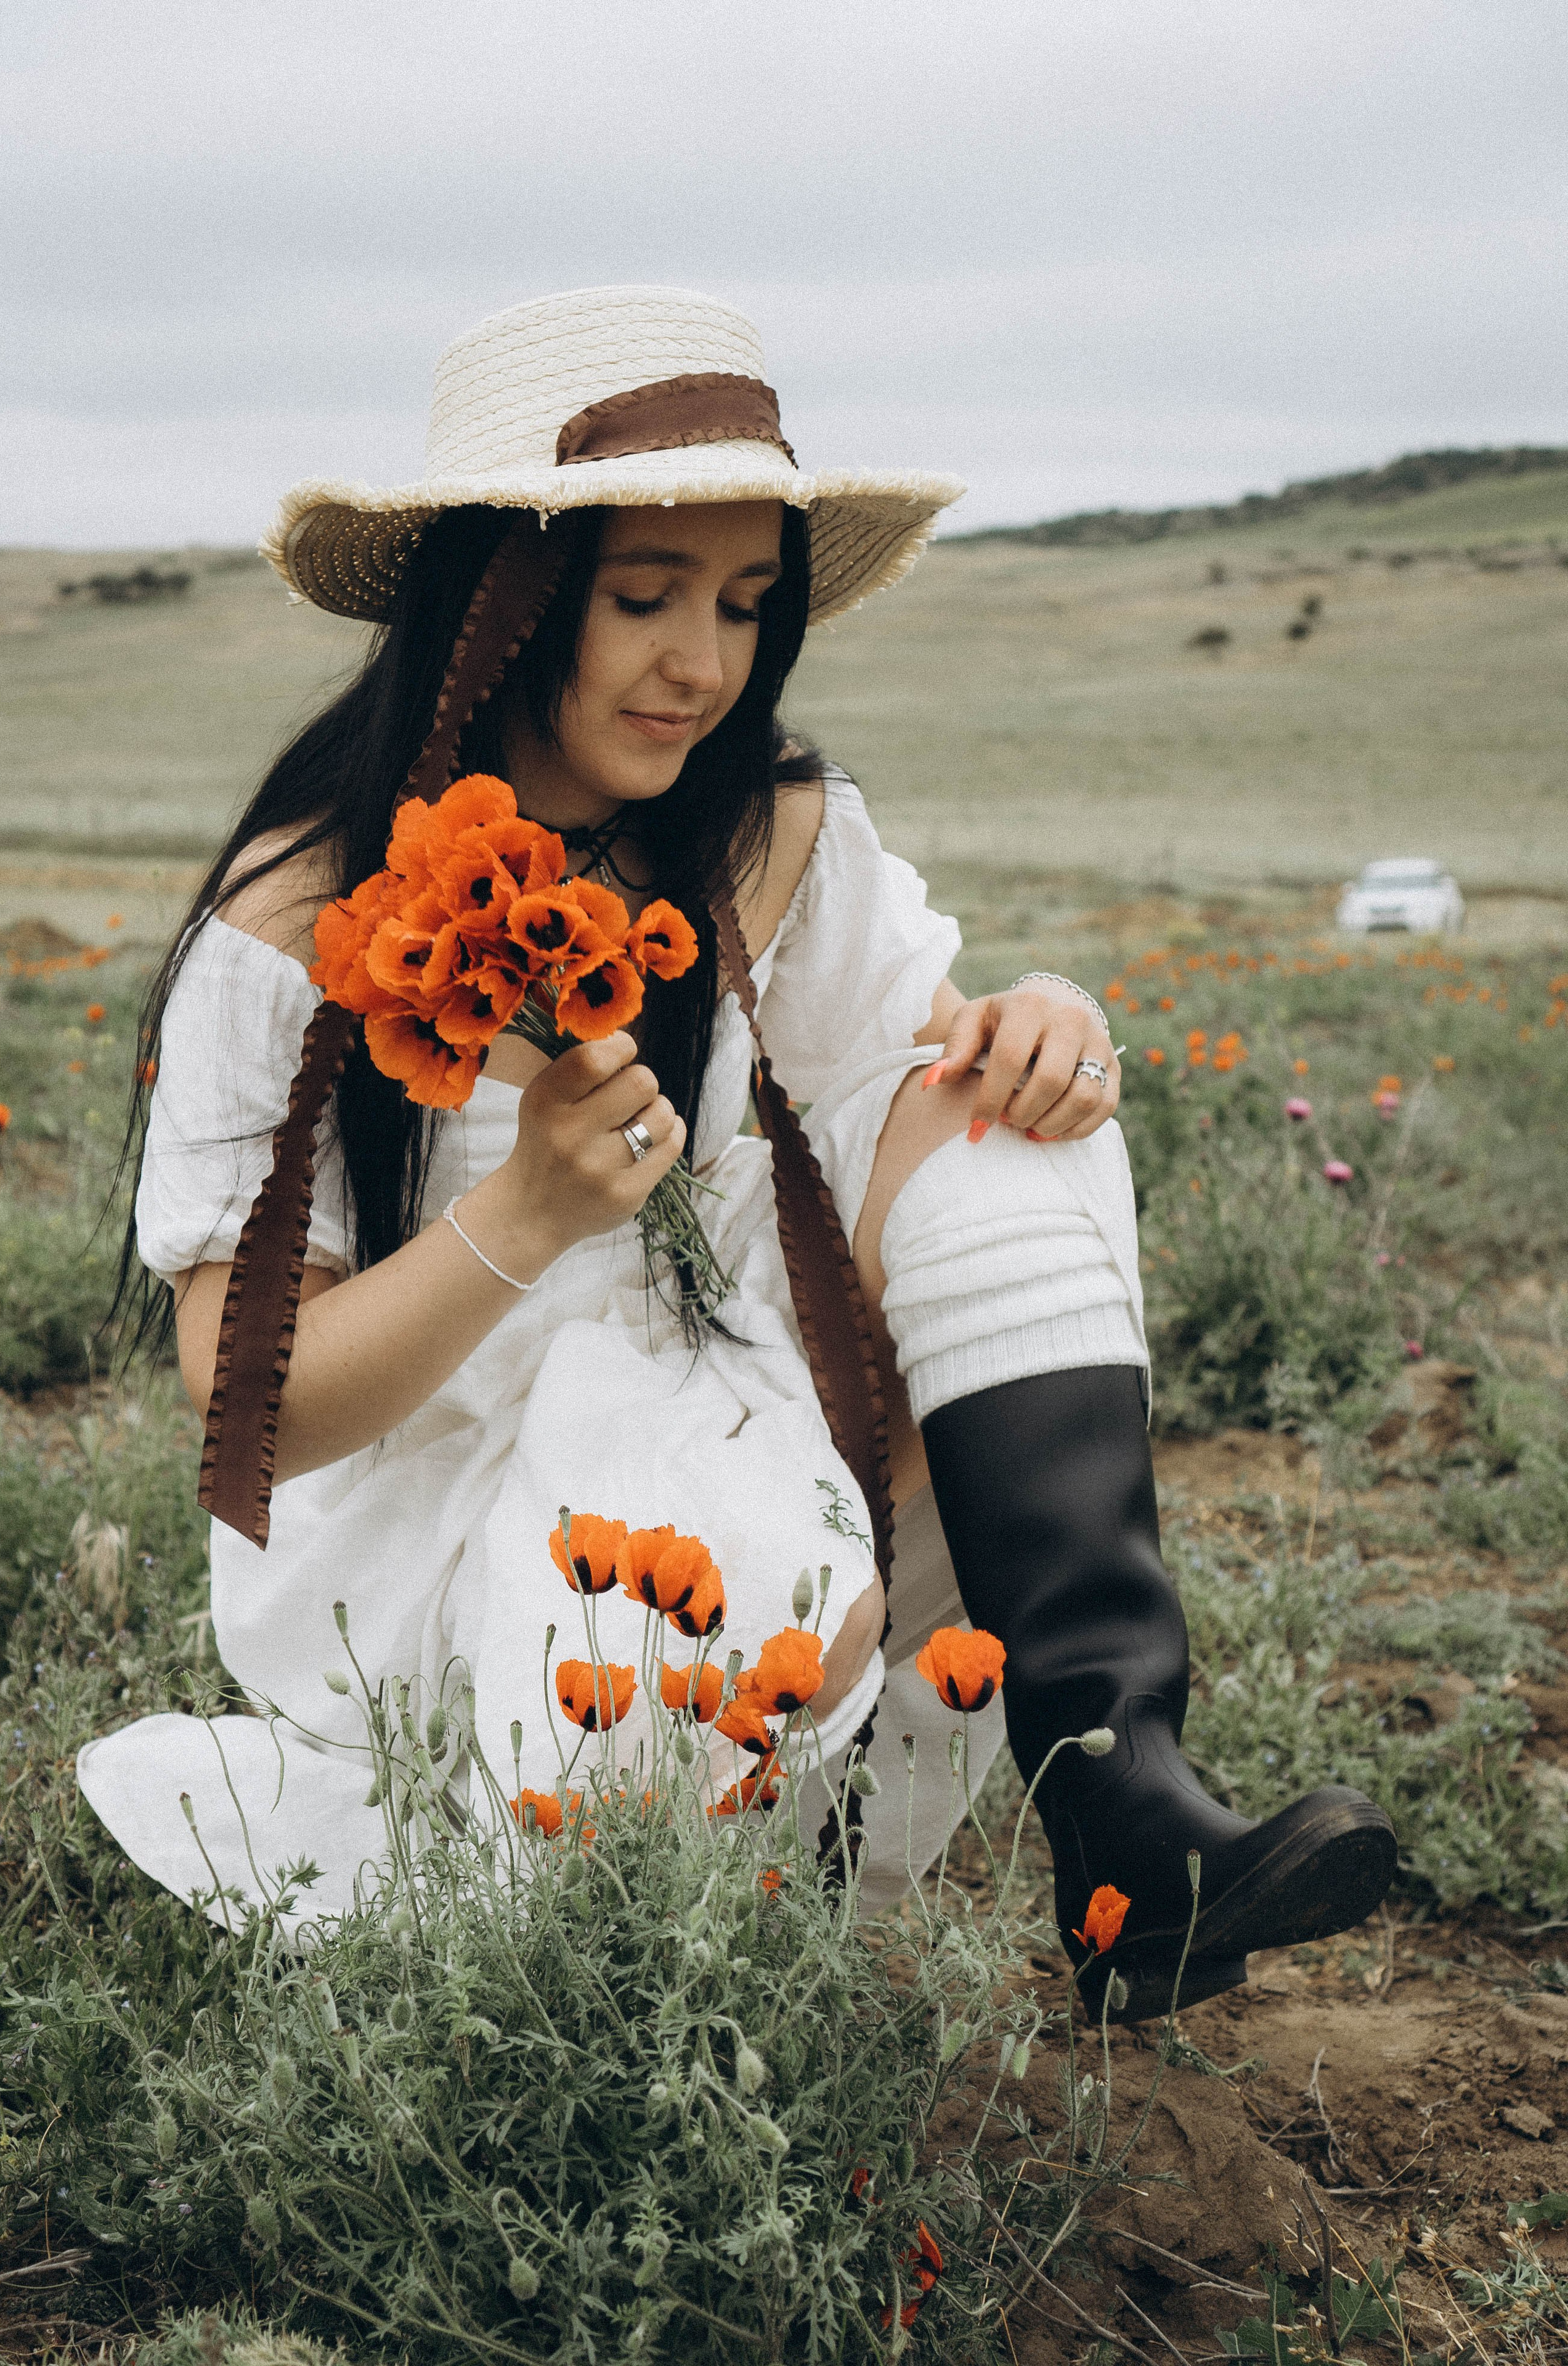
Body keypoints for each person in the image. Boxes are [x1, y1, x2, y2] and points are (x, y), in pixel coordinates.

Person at [79, 285, 1394, 2017]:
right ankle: (726, 1885)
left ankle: (1118, 1791)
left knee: (1008, 1127)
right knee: (690, 1643)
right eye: (643, 598)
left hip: (739, 1398)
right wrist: (522, 1214)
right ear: (502, 596)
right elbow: (257, 1406)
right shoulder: (296, 913)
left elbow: (921, 1074)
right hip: (439, 1512)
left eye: (744, 605)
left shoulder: (767, 827)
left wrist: (1049, 1014)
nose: (701, 662)